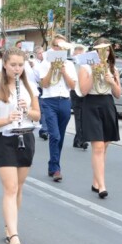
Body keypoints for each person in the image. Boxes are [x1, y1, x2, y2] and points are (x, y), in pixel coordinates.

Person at [0, 47, 40, 244]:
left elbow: (38, 116)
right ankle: (14, 236)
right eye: (13, 65)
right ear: (4, 65)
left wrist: (27, 110)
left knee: (19, 187)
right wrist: (7, 118)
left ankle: (10, 226)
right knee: (10, 187)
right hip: (4, 139)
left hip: (25, 136)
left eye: (20, 65)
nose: (17, 69)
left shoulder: (29, 87)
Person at [78, 38, 121, 198]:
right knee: (97, 147)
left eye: (107, 50)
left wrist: (112, 81)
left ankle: (96, 181)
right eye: (100, 50)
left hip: (107, 104)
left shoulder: (113, 68)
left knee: (104, 147)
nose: (104, 53)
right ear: (94, 52)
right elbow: (83, 90)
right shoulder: (85, 67)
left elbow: (117, 94)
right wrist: (94, 74)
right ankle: (102, 185)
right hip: (91, 104)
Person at [35, 34, 77, 182]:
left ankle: (53, 165)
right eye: (59, 46)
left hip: (65, 101)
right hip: (49, 101)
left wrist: (64, 71)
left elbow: (72, 86)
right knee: (55, 135)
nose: (62, 50)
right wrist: (53, 68)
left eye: (64, 47)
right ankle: (56, 168)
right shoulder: (44, 64)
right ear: (53, 48)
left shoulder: (70, 65)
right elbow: (44, 84)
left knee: (61, 137)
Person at [71, 45, 88, 149]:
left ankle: (78, 139)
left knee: (84, 117)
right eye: (78, 53)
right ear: (74, 53)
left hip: (85, 91)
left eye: (82, 54)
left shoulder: (86, 64)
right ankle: (81, 141)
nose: (80, 56)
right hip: (75, 91)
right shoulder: (71, 63)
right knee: (78, 117)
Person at [33, 45, 48, 140]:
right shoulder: (34, 63)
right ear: (36, 55)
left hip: (46, 87)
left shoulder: (47, 62)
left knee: (46, 110)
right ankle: (44, 130)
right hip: (38, 88)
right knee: (42, 109)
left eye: (43, 52)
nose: (41, 54)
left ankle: (45, 129)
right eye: (39, 53)